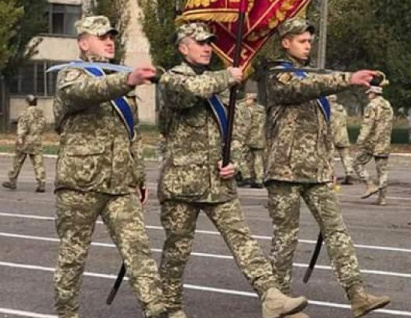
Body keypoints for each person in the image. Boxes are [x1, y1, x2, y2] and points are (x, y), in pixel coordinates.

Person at [157, 22, 308, 318]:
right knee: (177, 251)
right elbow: (191, 91)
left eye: (208, 43)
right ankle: (171, 308)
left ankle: (271, 296)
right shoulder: (172, 79)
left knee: (244, 241)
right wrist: (228, 75)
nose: (206, 48)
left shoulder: (221, 86)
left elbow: (235, 131)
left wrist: (234, 161)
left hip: (218, 182)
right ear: (182, 48)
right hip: (181, 184)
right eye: (199, 43)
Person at [263, 18, 390, 318]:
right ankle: (279, 302)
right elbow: (307, 87)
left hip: (316, 172)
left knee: (337, 231)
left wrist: (327, 162)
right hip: (284, 170)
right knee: (286, 238)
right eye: (302, 41)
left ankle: (357, 294)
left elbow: (319, 128)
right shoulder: (276, 76)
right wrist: (347, 78)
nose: (307, 45)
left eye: (309, 41)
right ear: (285, 42)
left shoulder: (306, 75)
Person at [53, 16, 167, 318]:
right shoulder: (71, 75)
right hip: (80, 184)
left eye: (111, 36)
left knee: (139, 252)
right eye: (101, 36)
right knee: (72, 257)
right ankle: (67, 313)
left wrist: (139, 180)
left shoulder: (122, 84)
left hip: (120, 187)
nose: (109, 41)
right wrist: (125, 80)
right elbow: (84, 93)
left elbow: (132, 136)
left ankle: (157, 310)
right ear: (83, 42)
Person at [354, 85, 395, 205]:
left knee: (357, 163)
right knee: (382, 171)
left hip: (371, 142)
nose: (368, 96)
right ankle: (382, 198)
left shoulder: (372, 105)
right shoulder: (388, 106)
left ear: (373, 93)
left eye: (369, 94)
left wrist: (361, 139)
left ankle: (370, 184)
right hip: (384, 142)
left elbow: (368, 124)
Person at [3, 95, 46, 192]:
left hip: (26, 140)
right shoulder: (40, 113)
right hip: (37, 139)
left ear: (27, 102)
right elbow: (43, 125)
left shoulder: (25, 113)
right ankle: (41, 182)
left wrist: (20, 137)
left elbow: (22, 127)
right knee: (38, 162)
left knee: (18, 161)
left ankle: (12, 180)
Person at [329, 94, 356, 184]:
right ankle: (349, 172)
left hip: (331, 135)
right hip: (343, 135)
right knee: (345, 156)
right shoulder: (342, 110)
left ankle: (331, 175)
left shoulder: (328, 110)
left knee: (329, 156)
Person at [246, 93, 267, 188]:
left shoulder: (249, 110)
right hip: (261, 137)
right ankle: (259, 178)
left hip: (251, 137)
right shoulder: (262, 110)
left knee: (250, 158)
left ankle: (251, 177)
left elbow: (246, 124)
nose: (246, 101)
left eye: (248, 99)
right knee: (258, 158)